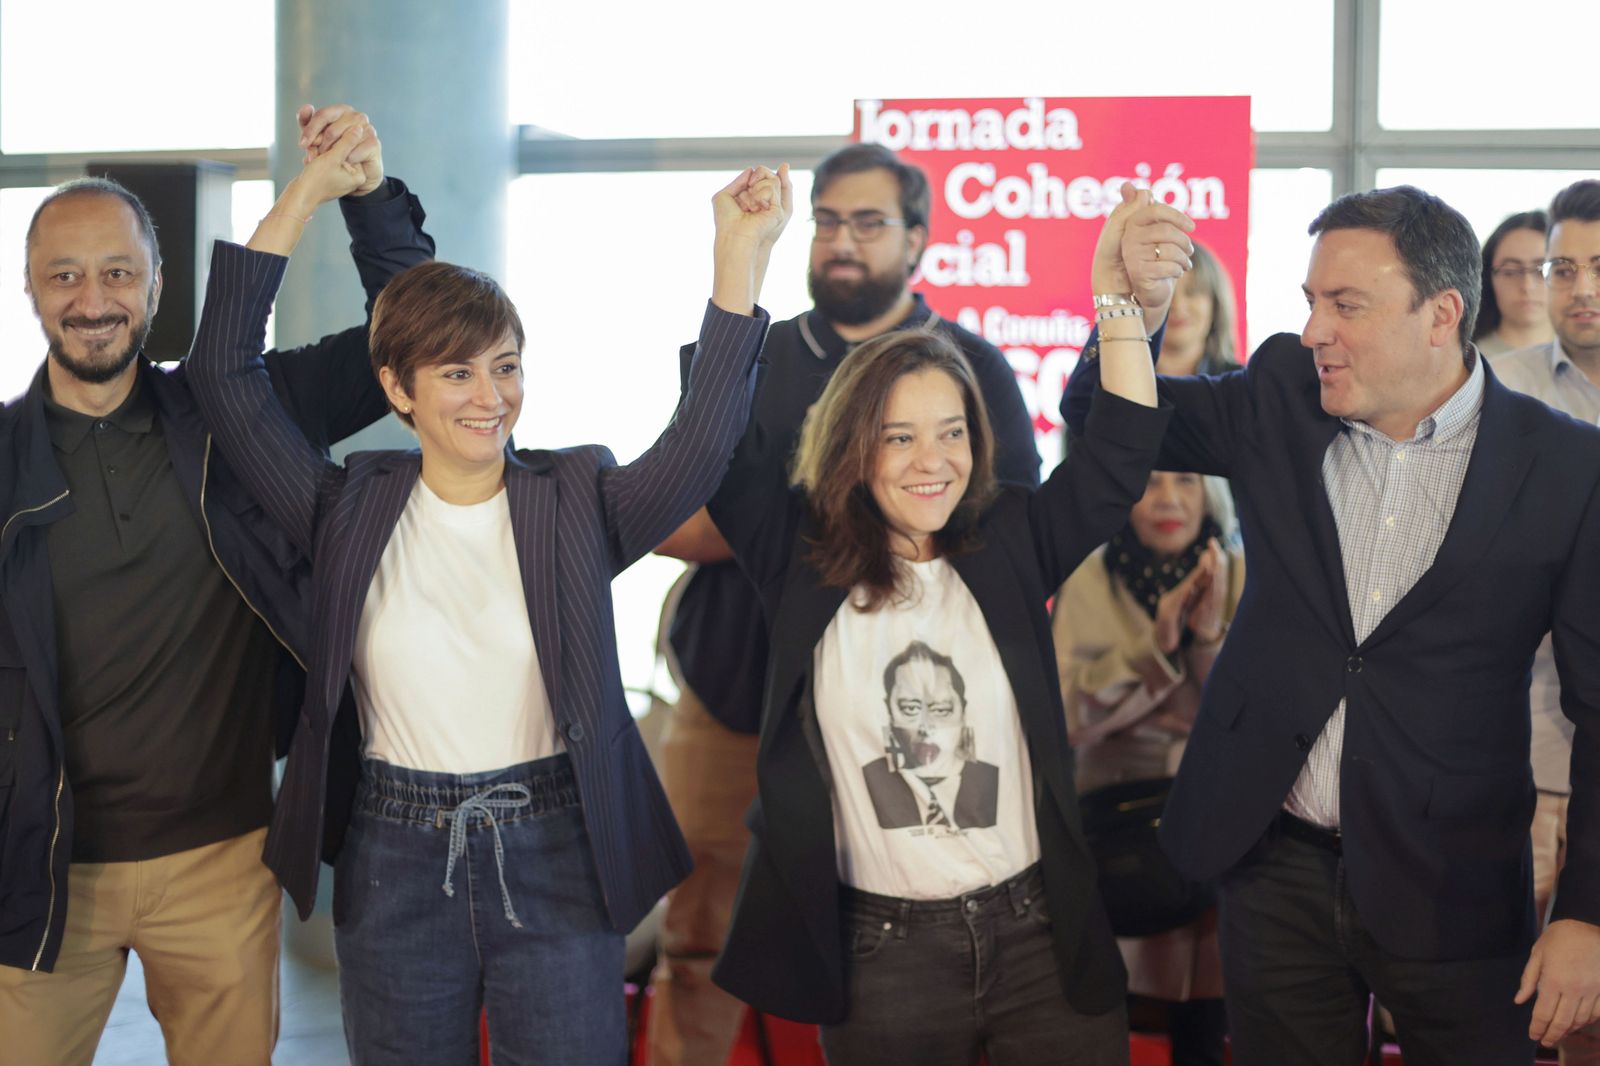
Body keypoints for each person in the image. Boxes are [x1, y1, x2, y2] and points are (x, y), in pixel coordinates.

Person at [184, 126, 789, 1064]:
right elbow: (224, 371)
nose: (488, 396)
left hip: (556, 846)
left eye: (505, 365)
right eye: (457, 372)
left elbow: (701, 445)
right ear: (398, 389)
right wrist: (306, 190)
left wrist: (736, 257)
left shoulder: (577, 497)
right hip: (393, 853)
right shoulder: (342, 508)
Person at [1064, 184, 1600, 1065]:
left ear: (1442, 314)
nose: (1315, 330)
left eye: (1346, 305)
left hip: (1454, 877)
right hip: (1272, 861)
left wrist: (1584, 910)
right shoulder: (1282, 393)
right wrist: (1130, 311)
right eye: (1312, 302)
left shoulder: (1566, 469)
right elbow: (1103, 423)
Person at [704, 185, 1181, 1065]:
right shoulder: (798, 555)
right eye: (898, 438)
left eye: (952, 432)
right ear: (854, 445)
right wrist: (739, 257)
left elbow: (1116, 462)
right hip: (882, 958)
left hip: (1042, 939)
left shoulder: (1009, 538)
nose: (934, 462)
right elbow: (716, 447)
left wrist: (1118, 299)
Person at [0, 105, 431, 1066]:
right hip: (40, 869)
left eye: (117, 271)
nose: (92, 297)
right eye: (63, 275)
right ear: (30, 289)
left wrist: (367, 196)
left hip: (223, 857)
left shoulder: (242, 413)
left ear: (158, 282)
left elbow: (411, 334)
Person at [645, 142, 1039, 1066]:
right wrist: (793, 521)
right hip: (737, 689)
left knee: (904, 942)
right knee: (698, 937)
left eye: (867, 222)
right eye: (827, 220)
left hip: (918, 715)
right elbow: (677, 505)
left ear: (919, 238)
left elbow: (1016, 543)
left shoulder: (971, 367)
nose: (842, 242)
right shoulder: (758, 354)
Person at [1053, 471, 1242, 1066]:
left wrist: (1206, 637)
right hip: (1117, 810)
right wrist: (1156, 649)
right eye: (1148, 483)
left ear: (1209, 494)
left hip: (1214, 807)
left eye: (1185, 482)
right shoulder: (1090, 573)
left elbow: (1254, 716)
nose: (1165, 499)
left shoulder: (1240, 572)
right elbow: (1064, 714)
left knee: (1206, 1016)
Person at [1489, 179, 1600, 1066]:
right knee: (1507, 1007)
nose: (1580, 289)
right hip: (1525, 753)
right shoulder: (1499, 395)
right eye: (1565, 267)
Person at [1474, 210, 1552, 357]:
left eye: (1541, 270)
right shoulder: (1467, 361)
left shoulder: (1587, 352)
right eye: (1510, 272)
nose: (1527, 286)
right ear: (1487, 278)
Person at [1155, 242, 1240, 376]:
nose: (1178, 305)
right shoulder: (1114, 382)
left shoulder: (1245, 386)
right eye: (1165, 292)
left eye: (1192, 292)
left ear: (1215, 304)